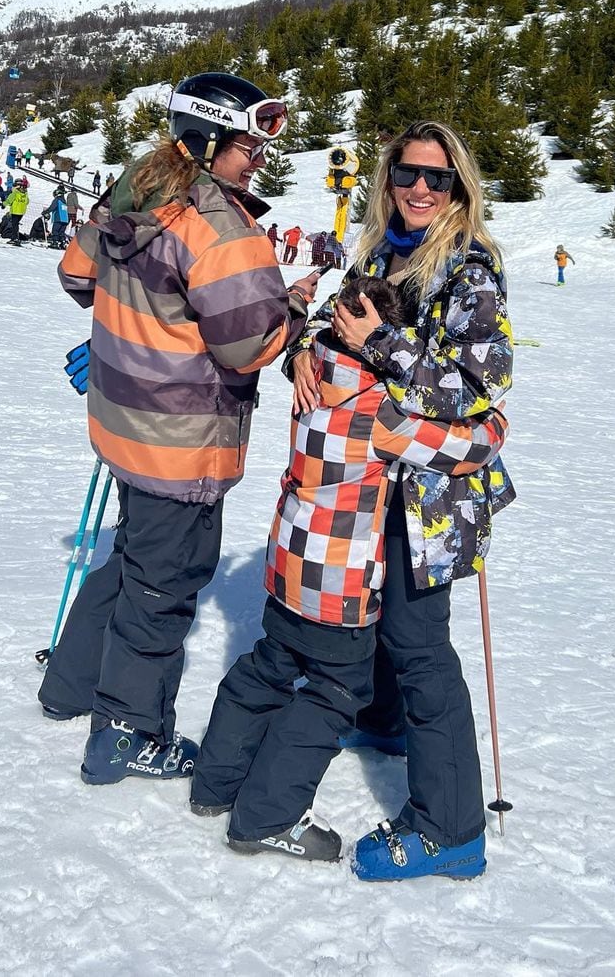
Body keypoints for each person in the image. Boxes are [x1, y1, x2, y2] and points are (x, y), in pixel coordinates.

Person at [36, 72, 320, 790]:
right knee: (163, 585)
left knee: (134, 555)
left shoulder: (136, 186)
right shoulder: (220, 222)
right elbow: (245, 344)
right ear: (209, 137)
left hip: (123, 420)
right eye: (248, 143)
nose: (258, 156)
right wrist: (288, 309)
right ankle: (127, 732)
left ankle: (70, 684)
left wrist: (142, 320)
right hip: (181, 435)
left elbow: (78, 275)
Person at [191, 252, 511, 869]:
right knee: (336, 689)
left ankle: (216, 781)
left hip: (288, 559)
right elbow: (467, 446)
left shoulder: (318, 373)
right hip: (338, 577)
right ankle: (267, 814)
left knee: (270, 664)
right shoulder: (381, 411)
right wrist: (492, 420)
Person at [294, 120, 514, 881]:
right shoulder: (386, 248)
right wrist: (304, 349)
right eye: (407, 174)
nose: (420, 188)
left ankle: (453, 826)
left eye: (437, 177)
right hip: (379, 478)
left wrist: (385, 342)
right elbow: (342, 324)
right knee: (386, 614)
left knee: (422, 647)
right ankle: (385, 721)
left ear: (459, 186)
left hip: (436, 493)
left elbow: (476, 390)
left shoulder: (468, 269)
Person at [3, 179, 29, 245]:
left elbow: (9, 200)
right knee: (16, 225)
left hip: (15, 211)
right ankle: (15, 237)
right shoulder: (25, 193)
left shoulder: (15, 192)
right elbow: (27, 201)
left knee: (14, 225)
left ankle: (14, 238)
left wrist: (3, 204)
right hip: (21, 211)